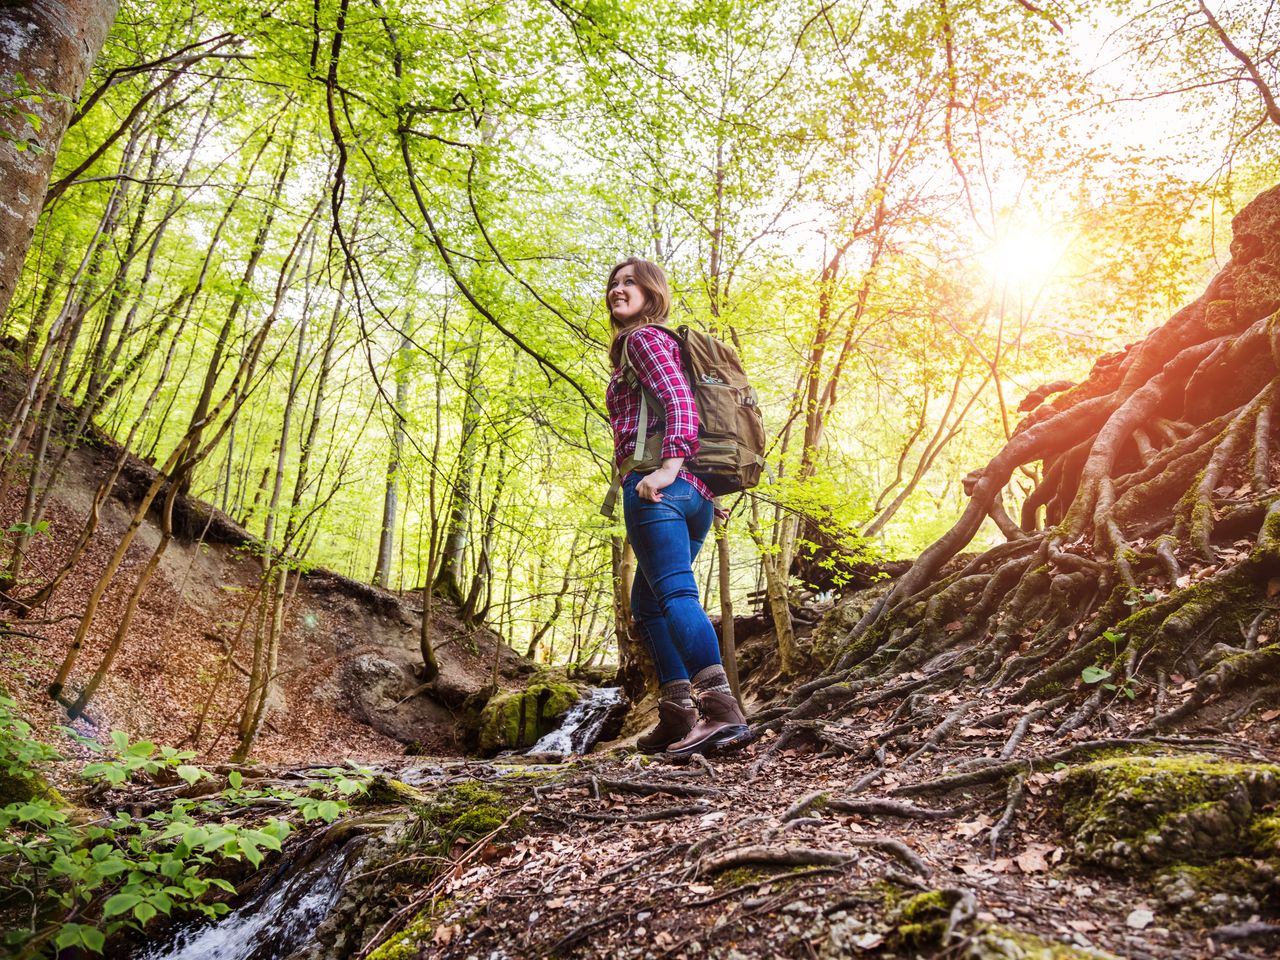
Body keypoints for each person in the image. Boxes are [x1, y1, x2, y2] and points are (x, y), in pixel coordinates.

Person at [604, 256, 750, 757]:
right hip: (694, 494)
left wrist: (667, 468)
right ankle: (677, 712)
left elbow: (681, 402)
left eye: (630, 283)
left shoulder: (642, 340)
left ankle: (720, 710)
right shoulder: (652, 346)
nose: (618, 290)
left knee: (674, 595)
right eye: (614, 283)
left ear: (652, 292)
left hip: (658, 488)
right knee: (648, 604)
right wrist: (691, 479)